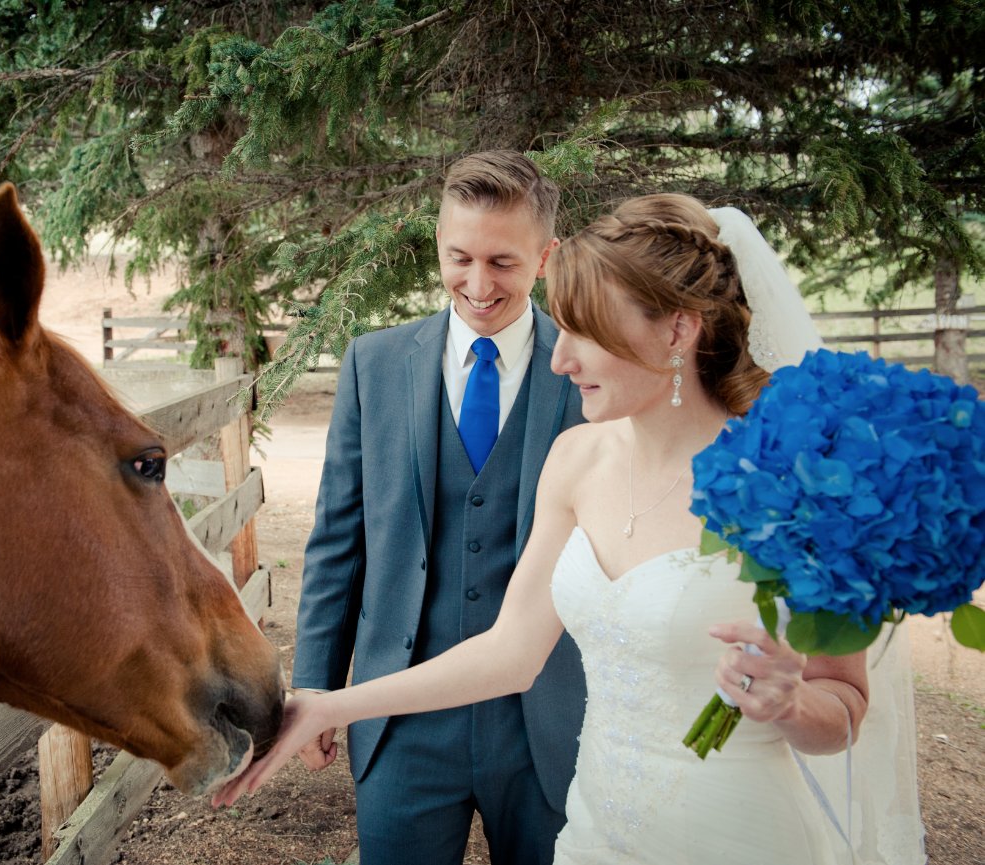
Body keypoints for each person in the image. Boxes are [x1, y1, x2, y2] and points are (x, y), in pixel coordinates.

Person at [221, 193, 907, 864]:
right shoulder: (578, 458)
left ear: (678, 330)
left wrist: (790, 704)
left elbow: (845, 704)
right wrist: (331, 705)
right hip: (595, 828)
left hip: (735, 831)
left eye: (588, 331)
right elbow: (511, 651)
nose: (560, 358)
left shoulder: (801, 483)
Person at [287, 150, 588, 865]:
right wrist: (315, 681)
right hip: (399, 718)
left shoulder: (588, 370)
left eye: (503, 263)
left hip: (548, 719)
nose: (478, 285)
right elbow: (338, 542)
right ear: (438, 243)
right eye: (460, 258)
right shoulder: (373, 363)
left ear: (546, 257)